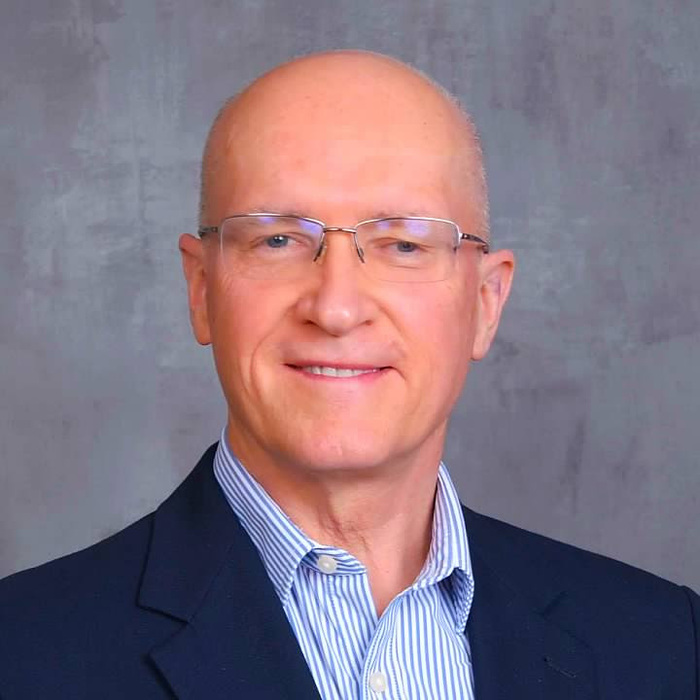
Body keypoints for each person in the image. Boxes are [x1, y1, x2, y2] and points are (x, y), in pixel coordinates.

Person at [0, 50, 697, 700]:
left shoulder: (665, 646)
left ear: (486, 303)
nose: (335, 309)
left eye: (403, 245)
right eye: (277, 240)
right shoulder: (23, 654)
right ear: (201, 289)